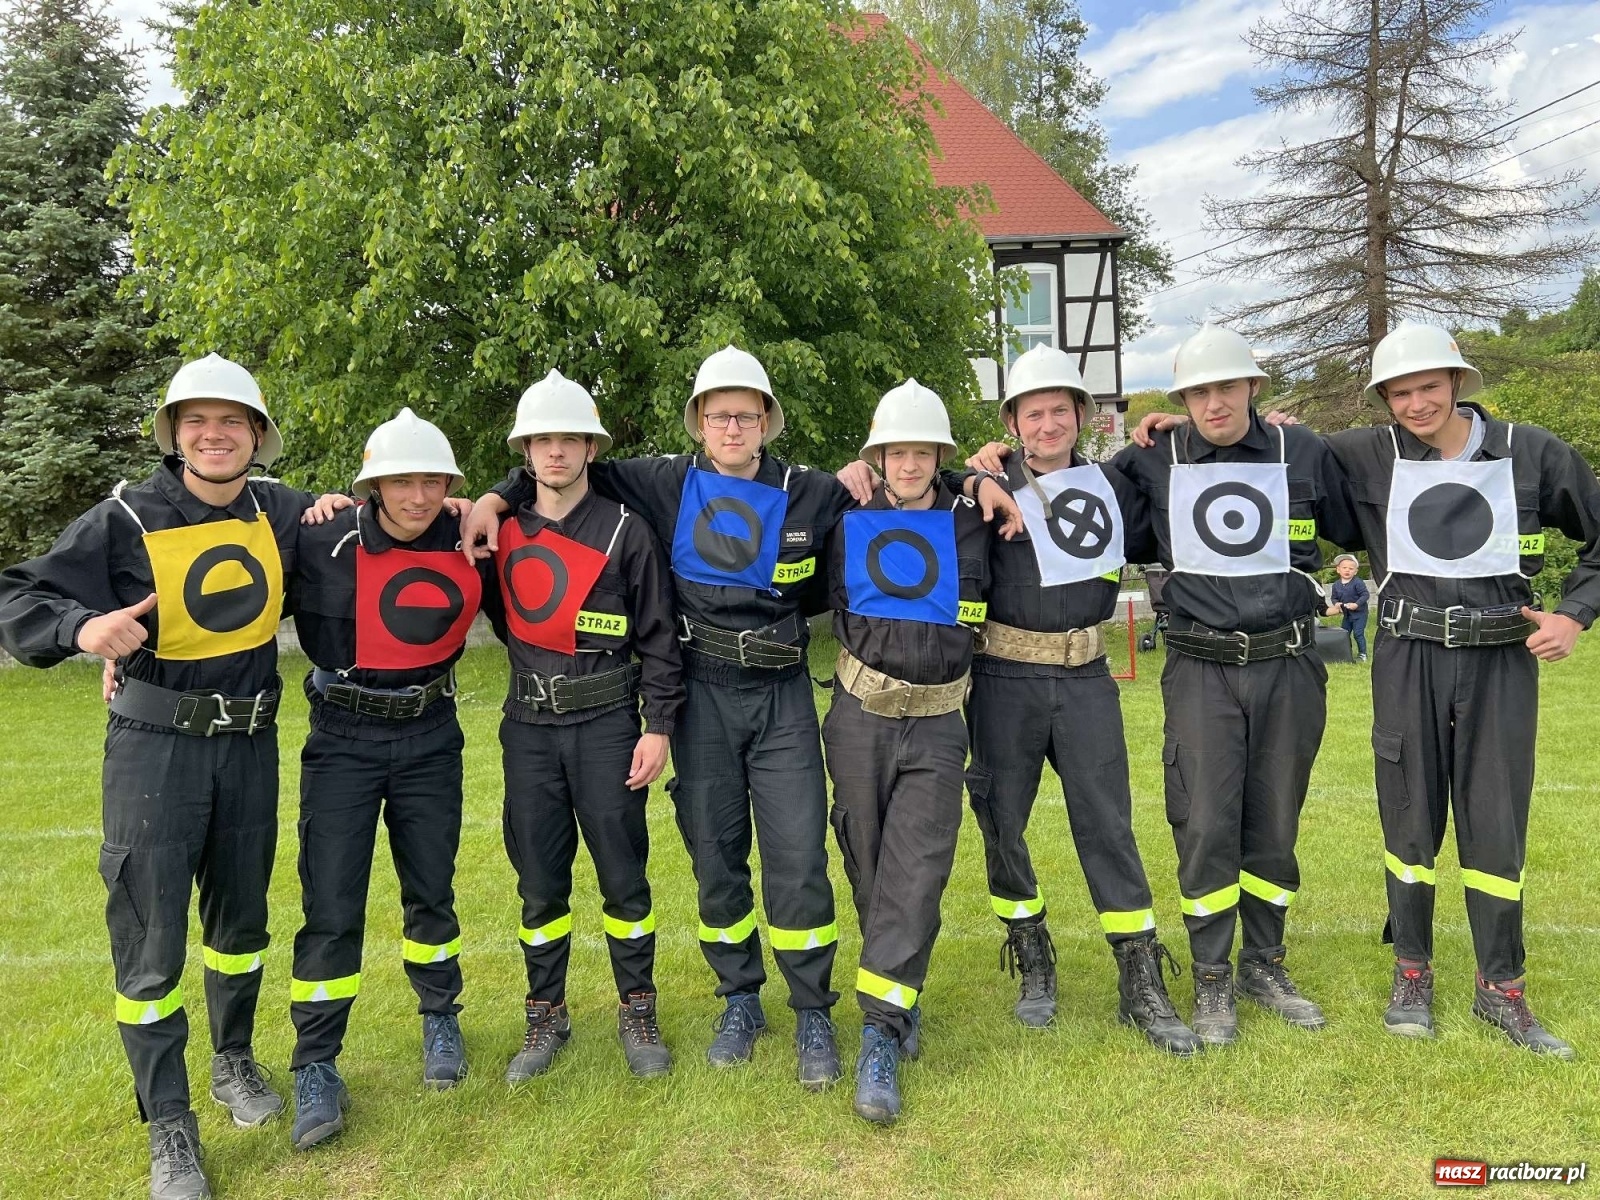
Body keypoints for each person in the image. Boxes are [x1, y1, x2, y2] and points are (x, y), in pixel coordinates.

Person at [464, 347, 1018, 1088]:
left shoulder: (813, 491)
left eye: (746, 415)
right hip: (701, 695)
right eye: (719, 415)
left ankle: (813, 1009)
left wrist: (975, 479)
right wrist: (494, 498)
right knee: (715, 855)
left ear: (766, 423)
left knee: (796, 855)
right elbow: (562, 466)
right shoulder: (662, 482)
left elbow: (910, 479)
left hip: (782, 691)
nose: (732, 427)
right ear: (699, 423)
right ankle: (740, 999)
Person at [0, 355, 312, 1200]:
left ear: (256, 435)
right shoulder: (127, 516)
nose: (214, 436)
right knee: (150, 944)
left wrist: (478, 500)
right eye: (196, 423)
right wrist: (81, 627)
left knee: (242, 923)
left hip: (248, 746)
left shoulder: (282, 510)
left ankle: (234, 1063)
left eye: (232, 422)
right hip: (154, 750)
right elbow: (18, 596)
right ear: (175, 434)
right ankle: (170, 1124)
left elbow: (373, 521)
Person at [1322, 324, 1598, 1056]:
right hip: (1407, 655)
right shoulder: (1365, 454)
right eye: (1400, 391)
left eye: (1428, 385)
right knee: (1409, 818)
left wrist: (1574, 615)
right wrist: (1170, 429)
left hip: (1501, 658)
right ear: (1384, 397)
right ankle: (1412, 970)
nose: (1416, 402)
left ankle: (1500, 986)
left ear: (1457, 381)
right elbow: (1263, 453)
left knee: (1495, 819)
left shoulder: (1531, 451)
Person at [1103, 325, 1361, 1046]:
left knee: (1275, 821)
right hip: (1200, 669)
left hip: (1289, 663)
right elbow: (1068, 500)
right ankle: (1212, 976)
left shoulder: (1302, 449)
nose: (1214, 403)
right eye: (1197, 392)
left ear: (1254, 387)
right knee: (1207, 822)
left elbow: (1358, 518)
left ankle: (1264, 963)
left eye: (1226, 386)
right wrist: (995, 465)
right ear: (1181, 399)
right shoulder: (1154, 458)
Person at [956, 346, 1197, 1054]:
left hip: (1087, 674)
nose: (1049, 422)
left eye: (1062, 409)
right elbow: (918, 480)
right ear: (1012, 421)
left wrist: (1170, 422)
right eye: (1035, 412)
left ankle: (1139, 977)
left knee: (1108, 825)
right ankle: (1030, 951)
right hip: (1003, 677)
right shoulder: (985, 480)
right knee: (1001, 821)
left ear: (1082, 417)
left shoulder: (1114, 483)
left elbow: (1188, 463)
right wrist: (972, 476)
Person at [286, 408, 483, 1151]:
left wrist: (485, 500)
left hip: (431, 733)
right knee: (332, 902)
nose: (419, 494)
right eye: (402, 480)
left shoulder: (470, 536)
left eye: (433, 479)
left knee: (431, 889)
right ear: (370, 486)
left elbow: (538, 501)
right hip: (342, 736)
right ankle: (316, 1063)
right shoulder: (318, 535)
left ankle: (441, 1022)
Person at [481, 371, 684, 1082]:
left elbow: (659, 635)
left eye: (570, 438)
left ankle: (637, 1004)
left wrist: (657, 725)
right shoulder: (498, 529)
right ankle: (546, 1012)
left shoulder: (627, 531)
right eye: (543, 439)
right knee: (539, 882)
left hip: (606, 723)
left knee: (624, 879)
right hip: (528, 726)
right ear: (526, 450)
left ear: (591, 448)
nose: (556, 451)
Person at [822, 380, 997, 1123]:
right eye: (896, 451)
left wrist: (981, 477)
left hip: (937, 723)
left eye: (922, 451)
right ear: (878, 456)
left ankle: (880, 1034)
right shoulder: (844, 516)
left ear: (939, 455)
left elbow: (1043, 461)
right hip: (860, 713)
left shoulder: (973, 518)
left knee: (917, 873)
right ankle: (896, 984)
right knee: (867, 863)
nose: (908, 464)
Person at [1325, 553, 1369, 660]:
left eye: (1351, 568)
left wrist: (1356, 604)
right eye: (1344, 568)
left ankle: (1362, 654)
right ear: (1338, 570)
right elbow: (1334, 598)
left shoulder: (1357, 583)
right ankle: (1346, 652)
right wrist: (1336, 604)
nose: (1347, 570)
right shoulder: (1336, 585)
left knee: (1358, 634)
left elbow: (1365, 595)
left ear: (1355, 571)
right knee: (1344, 633)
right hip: (1347, 614)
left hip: (1359, 614)